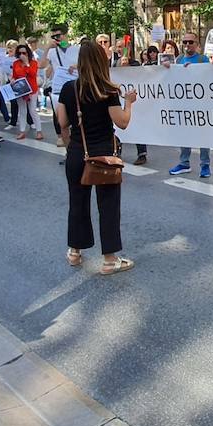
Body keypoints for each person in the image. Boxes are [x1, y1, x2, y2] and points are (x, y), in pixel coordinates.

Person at [56, 38, 139, 275]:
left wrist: (71, 144)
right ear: (101, 61)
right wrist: (129, 103)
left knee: (77, 203)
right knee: (108, 206)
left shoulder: (69, 88)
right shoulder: (108, 90)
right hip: (104, 155)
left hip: (77, 152)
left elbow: (62, 122)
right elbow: (122, 122)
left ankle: (74, 252)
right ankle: (110, 260)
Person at [168, 31, 212, 177]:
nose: (187, 44)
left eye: (190, 42)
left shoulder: (203, 59)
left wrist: (193, 71)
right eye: (185, 42)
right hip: (183, 104)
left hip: (200, 105)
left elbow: (209, 78)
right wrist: (168, 69)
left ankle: (205, 166)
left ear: (197, 44)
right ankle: (184, 163)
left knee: (203, 136)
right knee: (184, 134)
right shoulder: (179, 59)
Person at [46, 27, 78, 147]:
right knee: (61, 117)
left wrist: (76, 65)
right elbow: (41, 65)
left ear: (65, 35)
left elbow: (85, 63)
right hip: (59, 87)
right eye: (53, 37)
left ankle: (75, 139)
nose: (56, 39)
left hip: (74, 85)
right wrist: (48, 48)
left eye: (58, 36)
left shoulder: (77, 49)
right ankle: (64, 141)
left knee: (75, 114)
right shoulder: (52, 52)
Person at [11, 44, 44, 140]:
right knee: (22, 110)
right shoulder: (16, 63)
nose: (22, 55)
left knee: (32, 110)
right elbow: (14, 75)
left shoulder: (33, 63)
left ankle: (39, 131)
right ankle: (22, 131)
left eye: (24, 53)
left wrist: (27, 64)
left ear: (28, 53)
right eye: (20, 53)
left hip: (31, 89)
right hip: (21, 89)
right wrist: (12, 79)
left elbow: (33, 74)